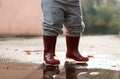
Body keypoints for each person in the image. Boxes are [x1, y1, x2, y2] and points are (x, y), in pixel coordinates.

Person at [41, 0, 89, 66]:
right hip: (53, 1)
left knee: (76, 24)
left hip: (73, 2)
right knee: (52, 23)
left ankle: (72, 52)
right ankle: (49, 53)